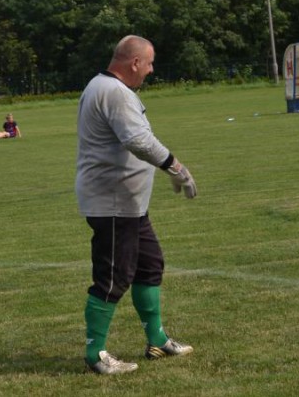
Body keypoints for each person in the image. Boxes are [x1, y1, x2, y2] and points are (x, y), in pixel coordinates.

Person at [76, 35, 198, 375]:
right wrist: (175, 166)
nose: (151, 69)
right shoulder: (113, 92)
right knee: (113, 278)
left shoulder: (105, 87)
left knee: (149, 265)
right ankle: (95, 355)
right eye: (149, 63)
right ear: (134, 63)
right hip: (112, 204)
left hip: (127, 205)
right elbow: (138, 140)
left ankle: (156, 339)